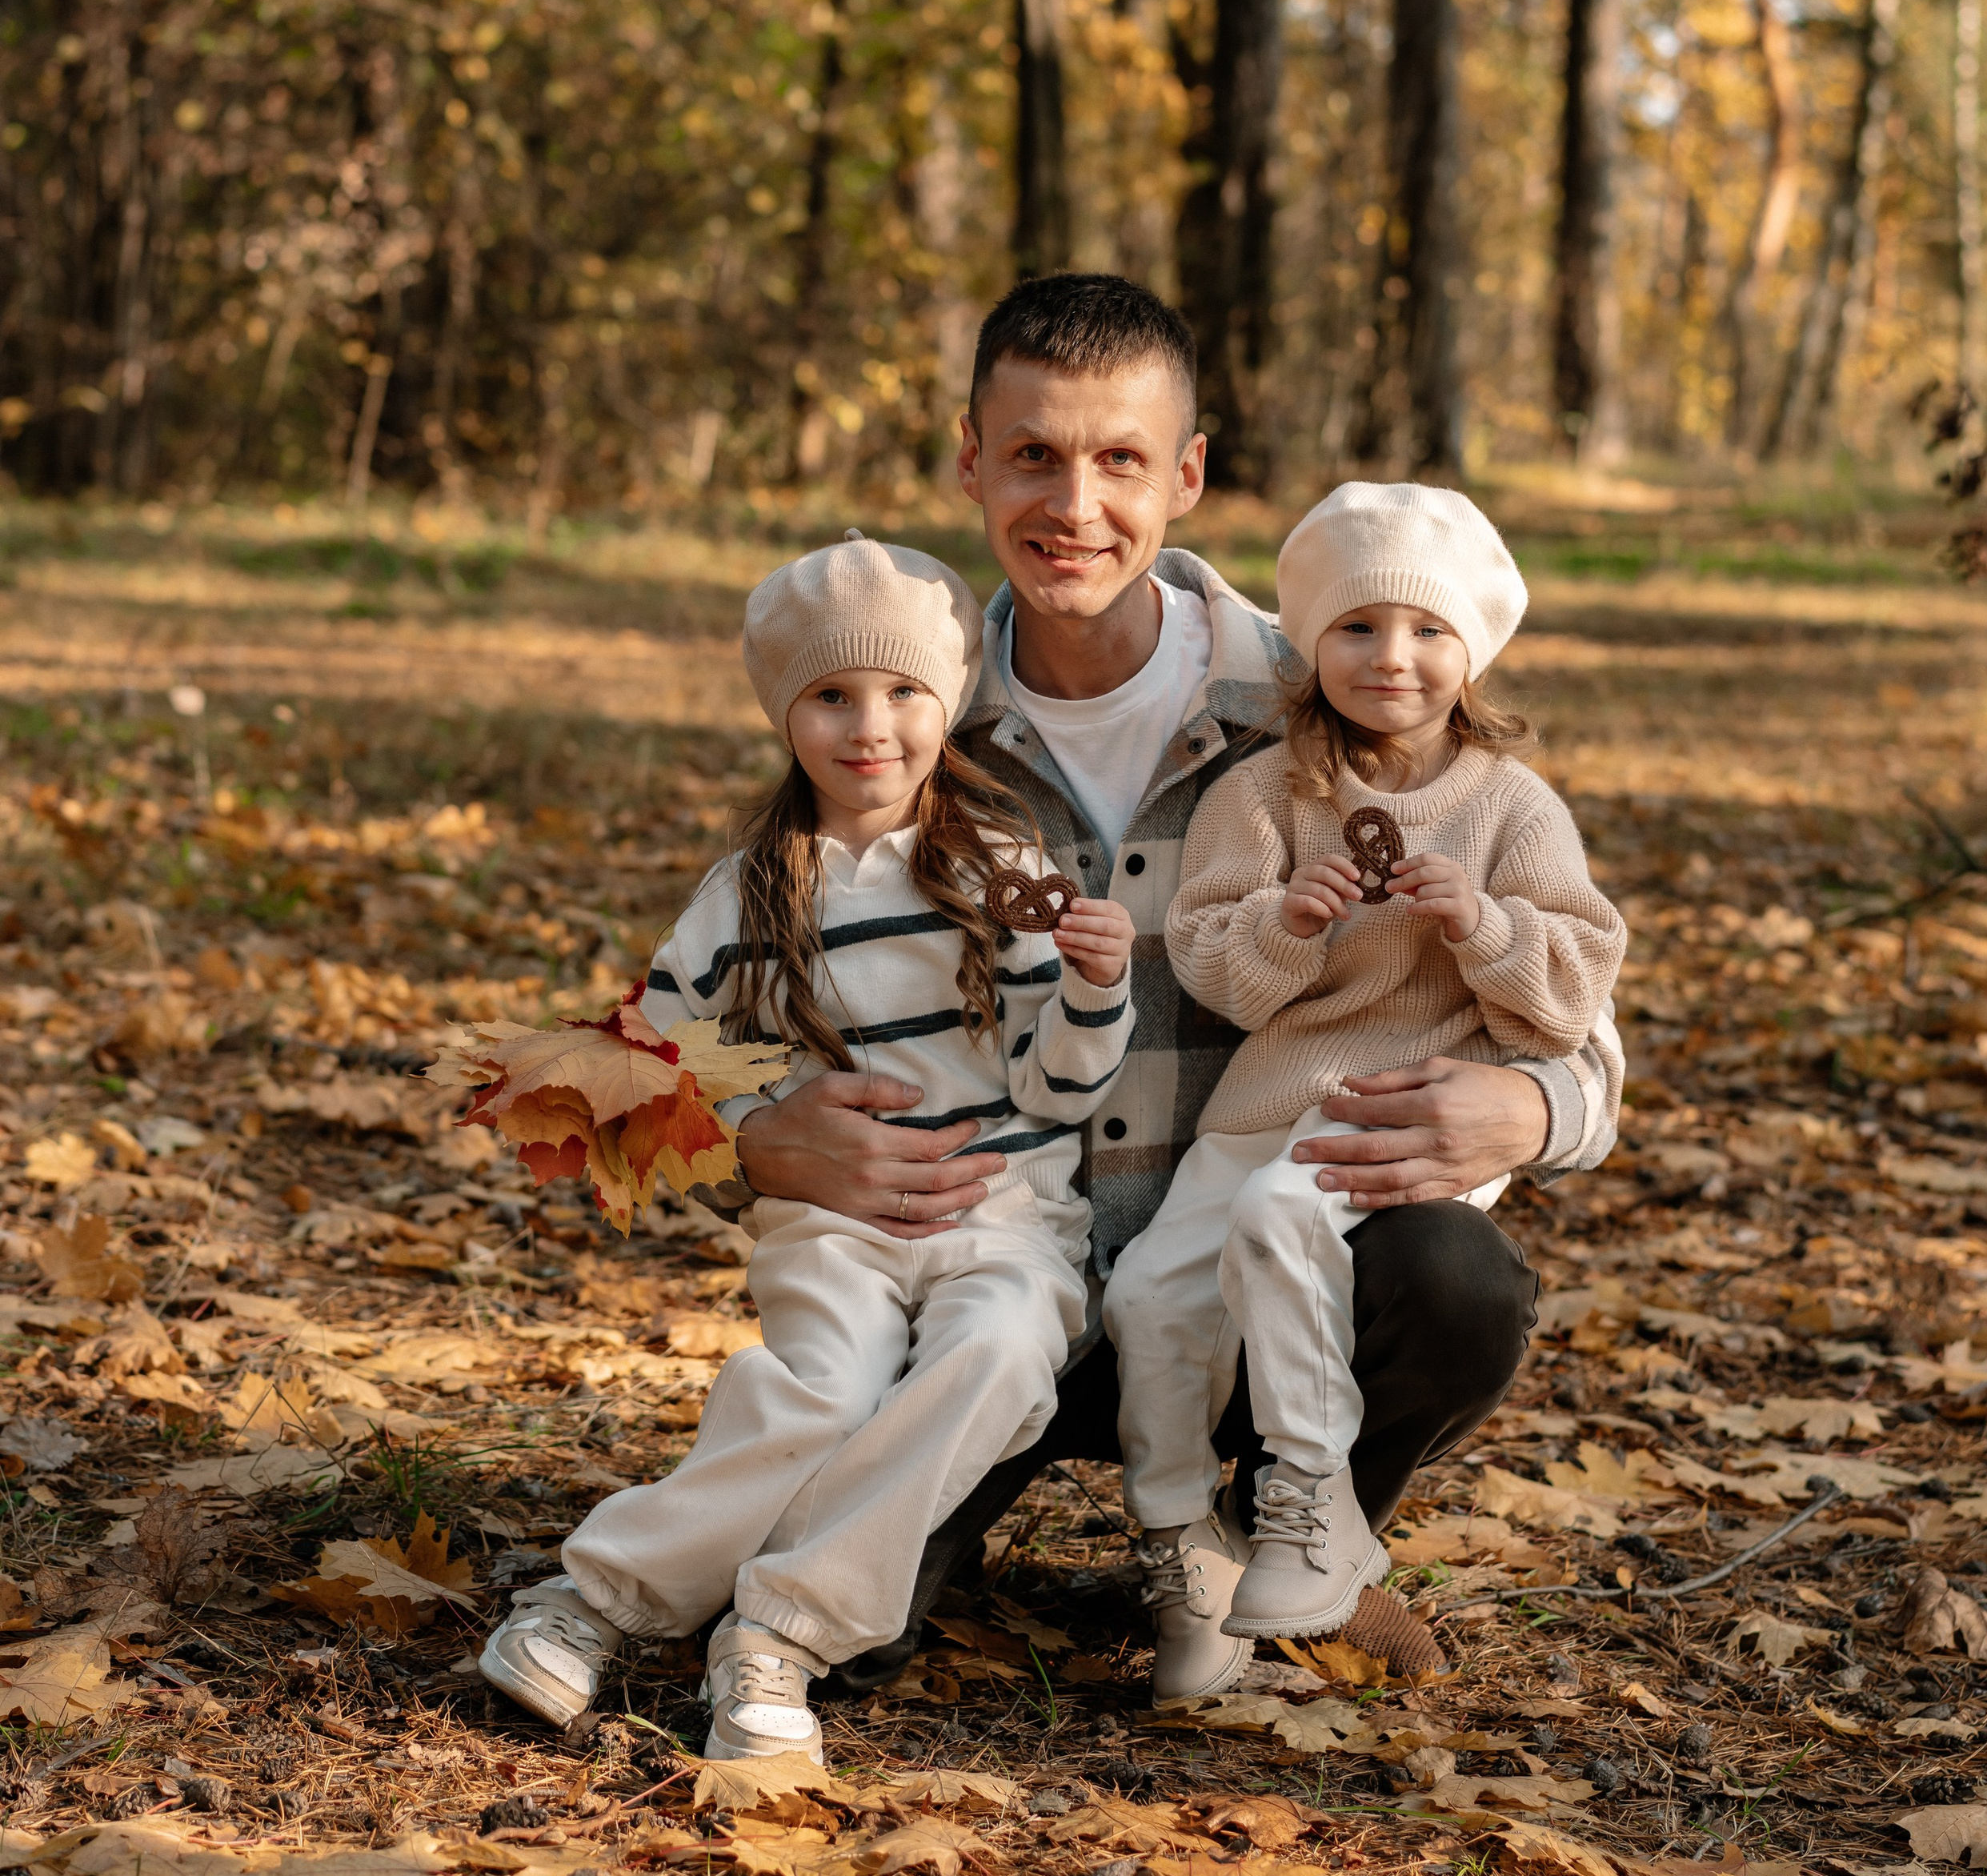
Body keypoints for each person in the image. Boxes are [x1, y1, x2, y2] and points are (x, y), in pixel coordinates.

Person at [710, 275, 1625, 1700]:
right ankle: (951, 1509)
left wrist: (1532, 1105)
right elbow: (733, 975)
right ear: (971, 459)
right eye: (1033, 455)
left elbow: (1589, 1027)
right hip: (990, 1284)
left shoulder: (1335, 684)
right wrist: (747, 1132)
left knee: (1453, 1280)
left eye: (1121, 458)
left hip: (1256, 1272)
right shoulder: (898, 712)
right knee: (844, 1642)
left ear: (1186, 474)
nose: (1075, 502)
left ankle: (1285, 1532)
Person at [477, 531, 1135, 1754]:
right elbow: (656, 1064)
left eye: (902, 693)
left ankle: (780, 1631)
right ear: (787, 715)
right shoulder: (744, 895)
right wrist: (753, 1129)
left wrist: (1096, 989)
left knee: (998, 1358)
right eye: (832, 695)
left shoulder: (1003, 870)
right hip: (834, 1222)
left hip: (1003, 1211)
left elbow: (1062, 1078)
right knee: (819, 1389)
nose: (869, 725)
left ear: (949, 704)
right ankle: (594, 1600)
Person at [1103, 482, 1626, 1676]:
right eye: (1358, 627)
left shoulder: (1509, 806)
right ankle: (1189, 1545)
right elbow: (1219, 972)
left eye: (1428, 630)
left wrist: (1485, 925)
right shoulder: (1268, 793)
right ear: (1311, 643)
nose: (1394, 657)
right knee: (1148, 1299)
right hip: (1266, 1102)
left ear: (1475, 650)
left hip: (1406, 1111)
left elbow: (1574, 984)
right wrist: (1290, 922)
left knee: (1289, 1215)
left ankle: (1307, 1499)